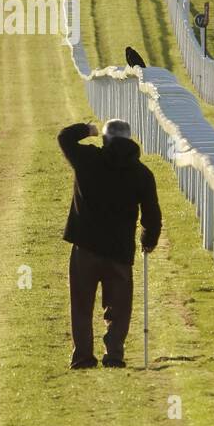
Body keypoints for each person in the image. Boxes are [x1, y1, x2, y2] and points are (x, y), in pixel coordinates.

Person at [57, 119, 162, 369]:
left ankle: (83, 356)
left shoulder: (87, 159)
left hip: (85, 247)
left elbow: (64, 137)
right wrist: (148, 240)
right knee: (119, 306)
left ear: (104, 140)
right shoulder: (142, 173)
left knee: (81, 304)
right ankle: (114, 354)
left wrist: (88, 129)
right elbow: (152, 215)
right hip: (120, 251)